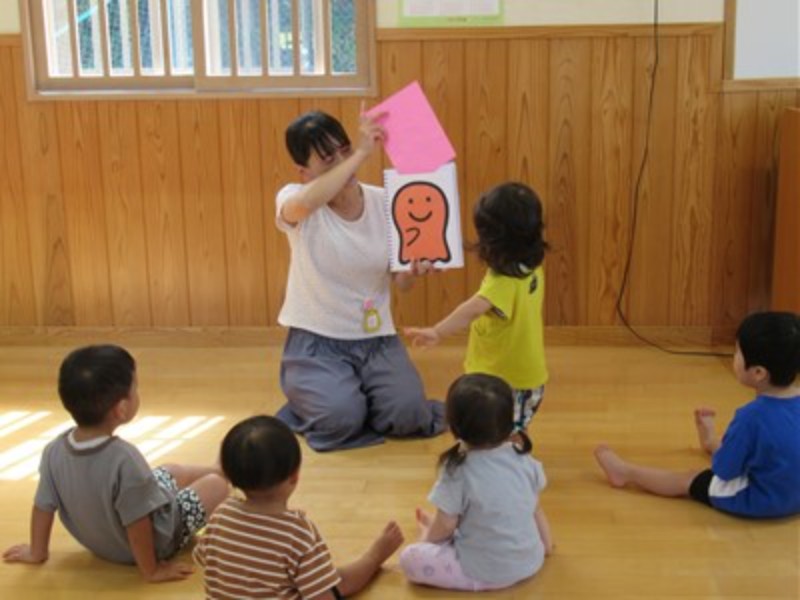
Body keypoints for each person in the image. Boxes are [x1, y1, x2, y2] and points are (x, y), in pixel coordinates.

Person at [274, 108, 445, 451]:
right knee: (338, 421)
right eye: (327, 159)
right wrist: (363, 154)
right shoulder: (294, 199)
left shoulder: (386, 202)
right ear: (304, 172)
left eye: (345, 151)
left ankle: (347, 394)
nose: (341, 162)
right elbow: (307, 202)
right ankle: (322, 395)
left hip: (376, 339)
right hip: (316, 342)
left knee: (409, 414)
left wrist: (412, 272)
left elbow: (401, 283)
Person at [2, 344, 229, 582]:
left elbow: (43, 505)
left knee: (171, 470)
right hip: (157, 541)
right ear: (121, 408)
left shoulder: (54, 450)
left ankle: (217, 468)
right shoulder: (125, 459)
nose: (138, 392)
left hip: (102, 544)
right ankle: (219, 474)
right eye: (136, 387)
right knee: (216, 486)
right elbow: (138, 522)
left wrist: (37, 551)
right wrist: (151, 570)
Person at [595, 311, 800, 519]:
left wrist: (721, 457)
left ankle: (625, 472)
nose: (734, 356)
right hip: (795, 495)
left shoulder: (751, 417)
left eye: (737, 351)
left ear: (758, 373)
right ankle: (711, 441)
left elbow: (724, 470)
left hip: (762, 500)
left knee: (688, 478)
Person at [194, 415, 404, 599]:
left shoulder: (221, 515)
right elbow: (326, 594)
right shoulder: (297, 532)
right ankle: (374, 557)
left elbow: (205, 559)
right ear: (295, 476)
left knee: (319, 578)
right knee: (330, 582)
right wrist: (373, 558)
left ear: (231, 477)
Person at [405, 181, 549, 433]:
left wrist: (437, 331)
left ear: (495, 240)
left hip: (502, 380)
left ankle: (508, 466)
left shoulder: (502, 282)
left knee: (499, 434)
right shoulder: (531, 266)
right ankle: (510, 461)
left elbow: (471, 310)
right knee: (510, 432)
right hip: (527, 376)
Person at [398, 373, 553, 591]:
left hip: (483, 572)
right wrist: (545, 546)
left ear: (453, 426)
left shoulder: (457, 469)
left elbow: (446, 525)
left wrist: (426, 543)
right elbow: (535, 508)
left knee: (409, 558)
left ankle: (430, 535)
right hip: (529, 563)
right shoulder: (523, 458)